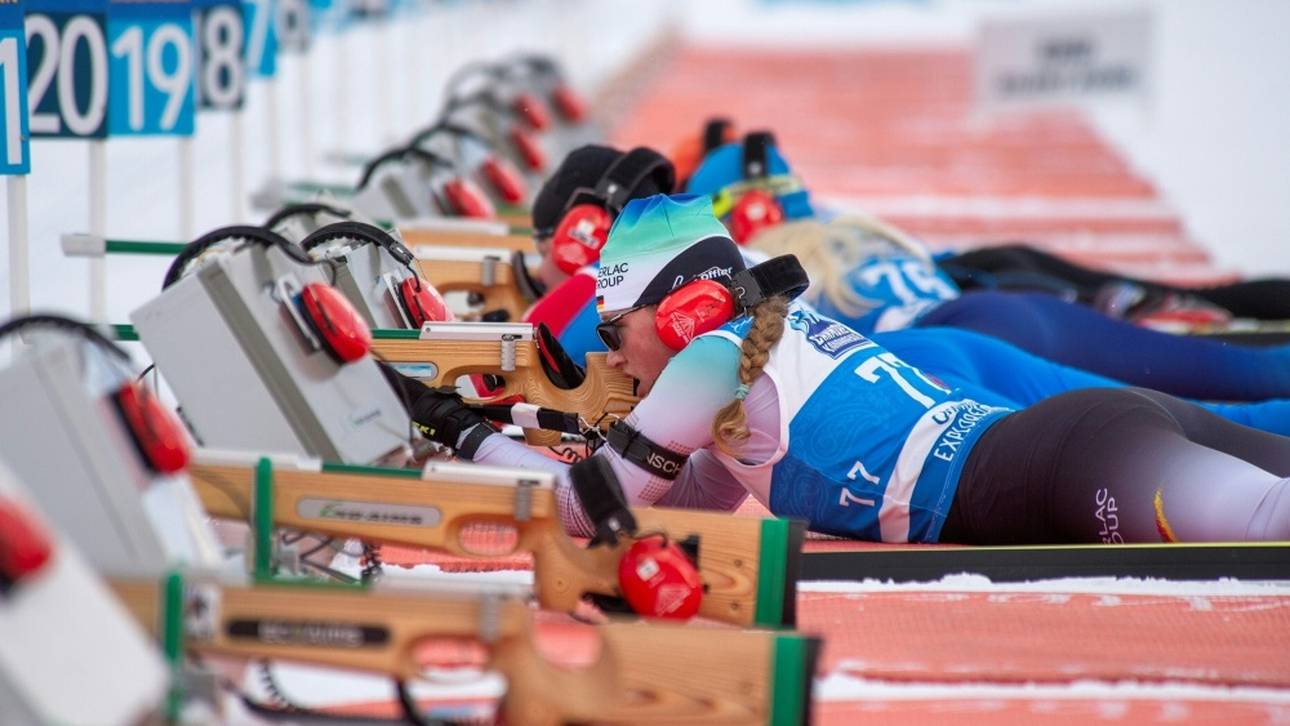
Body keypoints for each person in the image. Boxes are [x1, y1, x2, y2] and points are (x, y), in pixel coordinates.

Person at [402, 194, 1290, 545]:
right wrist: (598, 454)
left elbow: (579, 512)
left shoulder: (711, 363)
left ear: (678, 312)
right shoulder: (755, 342)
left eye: (613, 326)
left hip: (1064, 467)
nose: (610, 352)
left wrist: (464, 432)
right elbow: (687, 499)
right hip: (1073, 444)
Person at [747, 215, 1290, 402]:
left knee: (1170, 418)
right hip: (1009, 306)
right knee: (1235, 372)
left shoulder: (804, 284)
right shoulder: (862, 239)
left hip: (962, 339)